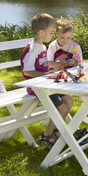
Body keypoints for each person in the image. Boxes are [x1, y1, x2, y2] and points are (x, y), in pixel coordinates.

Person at [20, 13, 74, 149]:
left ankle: (55, 129)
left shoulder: (42, 47)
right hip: (37, 86)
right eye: (51, 32)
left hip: (46, 84)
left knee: (69, 101)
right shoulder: (32, 50)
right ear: (41, 32)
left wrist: (55, 66)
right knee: (61, 107)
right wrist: (45, 74)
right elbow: (27, 71)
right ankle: (47, 134)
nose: (53, 35)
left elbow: (42, 65)